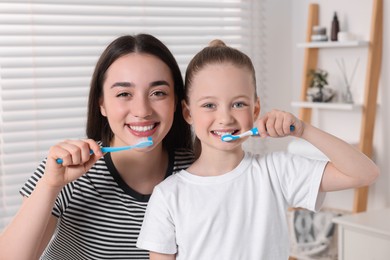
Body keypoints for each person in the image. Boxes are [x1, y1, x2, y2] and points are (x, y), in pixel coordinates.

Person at [136, 40, 380, 259]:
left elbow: (364, 173)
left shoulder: (277, 171)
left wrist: (303, 130)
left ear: (255, 110)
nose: (225, 117)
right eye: (209, 105)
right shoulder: (169, 196)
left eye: (238, 104)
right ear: (188, 112)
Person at [0, 34, 194, 260]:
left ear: (176, 103)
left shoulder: (197, 173)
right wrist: (51, 184)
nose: (142, 110)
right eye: (124, 94)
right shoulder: (66, 171)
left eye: (158, 93)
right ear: (102, 103)